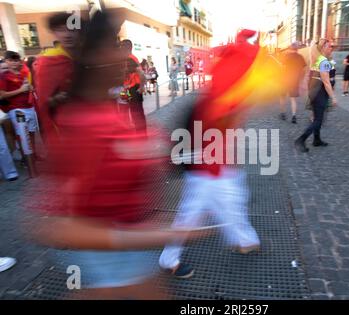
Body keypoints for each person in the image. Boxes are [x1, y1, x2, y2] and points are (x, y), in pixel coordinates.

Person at [29, 10, 209, 299]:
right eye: (114, 45)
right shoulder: (84, 123)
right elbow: (55, 226)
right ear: (94, 58)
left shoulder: (103, 111)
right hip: (109, 251)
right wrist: (156, 234)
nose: (122, 55)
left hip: (123, 246)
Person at [159, 29, 265, 279]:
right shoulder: (222, 98)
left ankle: (245, 239)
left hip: (217, 166)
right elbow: (211, 132)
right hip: (206, 169)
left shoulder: (229, 93)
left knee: (233, 200)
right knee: (191, 215)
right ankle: (168, 259)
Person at [34, 12, 81, 145]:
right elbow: (44, 100)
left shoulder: (85, 57)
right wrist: (56, 99)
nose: (67, 34)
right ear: (54, 33)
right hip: (65, 125)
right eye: (61, 30)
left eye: (72, 29)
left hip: (89, 121)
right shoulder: (49, 60)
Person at [295, 39, 337, 153]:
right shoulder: (323, 62)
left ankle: (317, 140)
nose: (331, 48)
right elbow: (326, 82)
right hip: (319, 93)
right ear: (322, 48)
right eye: (329, 47)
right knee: (318, 119)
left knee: (318, 117)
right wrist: (333, 97)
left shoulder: (320, 60)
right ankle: (301, 139)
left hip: (316, 92)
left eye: (331, 47)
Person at [0, 51, 38, 157]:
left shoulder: (23, 73)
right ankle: (25, 159)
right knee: (22, 136)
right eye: (11, 60)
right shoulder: (4, 76)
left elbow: (28, 89)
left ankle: (33, 155)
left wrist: (30, 88)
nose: (14, 63)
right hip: (18, 111)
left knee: (31, 134)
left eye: (16, 60)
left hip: (29, 108)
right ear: (6, 61)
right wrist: (21, 90)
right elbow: (2, 95)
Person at [279, 41, 307, 124]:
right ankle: (294, 116)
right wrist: (301, 79)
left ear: (291, 48)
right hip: (295, 80)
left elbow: (281, 67)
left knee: (282, 97)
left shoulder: (286, 56)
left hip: (284, 80)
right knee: (293, 99)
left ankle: (283, 113)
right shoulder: (300, 57)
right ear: (297, 49)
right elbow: (304, 69)